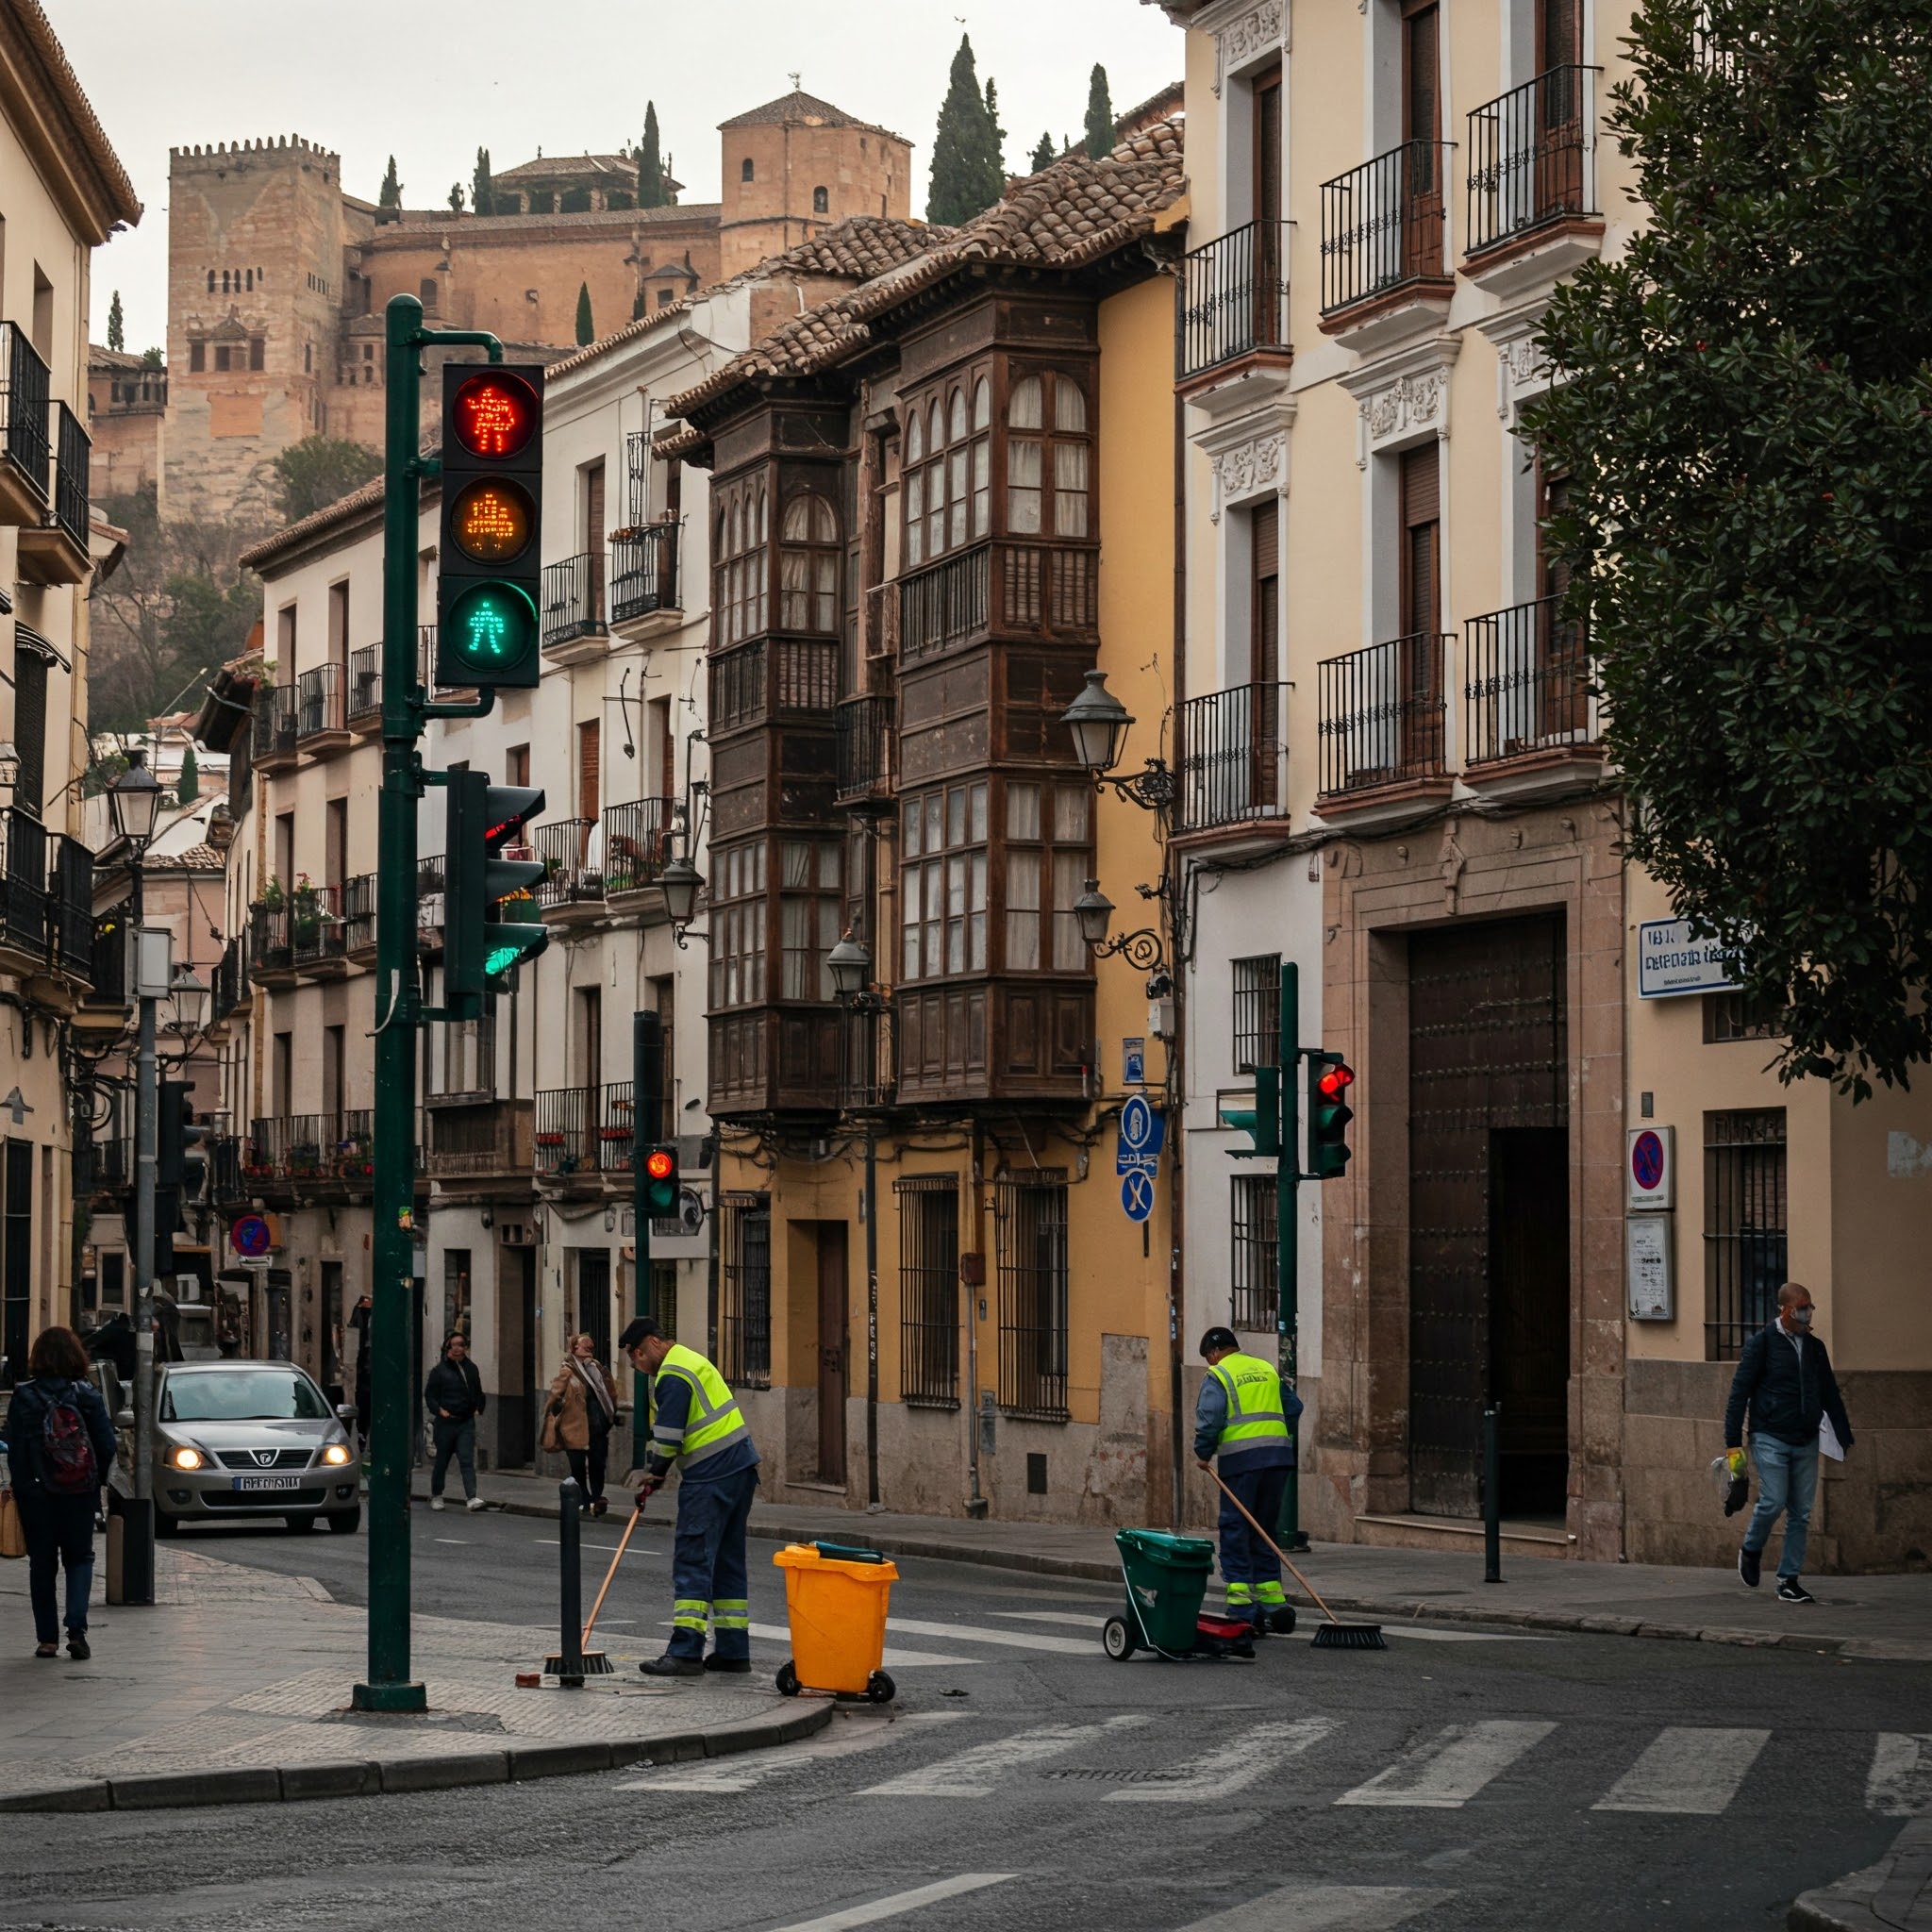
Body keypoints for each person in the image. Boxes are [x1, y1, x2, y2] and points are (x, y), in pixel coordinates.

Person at [619, 1318, 759, 1677]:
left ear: (651, 1344)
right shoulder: (690, 1359)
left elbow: (668, 1437)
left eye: (637, 1357)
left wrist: (655, 1472)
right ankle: (732, 1650)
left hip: (710, 1475)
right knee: (727, 1560)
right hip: (740, 1469)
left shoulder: (672, 1374)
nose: (637, 1365)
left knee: (693, 1558)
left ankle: (685, 1651)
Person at [1724, 1281, 1854, 1606]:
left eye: (1810, 1306)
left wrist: (1842, 1431)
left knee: (1802, 1512)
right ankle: (1752, 1549)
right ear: (1785, 1309)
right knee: (1773, 1500)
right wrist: (1733, 1449)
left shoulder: (1815, 1347)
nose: (1809, 1312)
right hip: (1769, 1436)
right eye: (1803, 1306)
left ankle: (1788, 1580)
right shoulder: (1762, 1345)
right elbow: (1738, 1395)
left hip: (1806, 1437)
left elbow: (1828, 1391)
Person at [2, 1326, 117, 1659]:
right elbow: (105, 1445)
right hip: (80, 1491)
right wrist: (95, 1481)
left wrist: (22, 1485)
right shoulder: (88, 1395)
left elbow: (15, 1447)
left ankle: (47, 1639)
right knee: (80, 1558)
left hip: (36, 1493)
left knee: (42, 1563)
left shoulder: (24, 1397)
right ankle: (77, 1630)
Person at [1194, 1325, 1303, 1635]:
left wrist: (1204, 1452)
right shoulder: (1266, 1368)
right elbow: (1294, 1408)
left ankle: (1242, 1607)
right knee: (1264, 1529)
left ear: (1214, 1353)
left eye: (1208, 1358)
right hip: (1278, 1458)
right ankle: (1273, 1604)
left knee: (1236, 1527)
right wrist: (1279, 1435)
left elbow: (1211, 1417)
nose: (1209, 1364)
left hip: (1242, 1462)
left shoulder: (1219, 1375)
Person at [546, 1333, 619, 1517]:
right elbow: (555, 1396)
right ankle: (584, 1498)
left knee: (597, 1464)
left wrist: (610, 1416)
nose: (589, 1347)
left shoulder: (598, 1369)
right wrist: (558, 1408)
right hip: (575, 1428)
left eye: (591, 1346)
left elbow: (610, 1393)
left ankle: (596, 1498)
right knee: (578, 1465)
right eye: (584, 1345)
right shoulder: (567, 1371)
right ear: (574, 1348)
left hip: (598, 1426)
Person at [422, 1331, 486, 1513]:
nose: (457, 1348)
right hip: (446, 1422)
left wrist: (479, 1407)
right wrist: (439, 1410)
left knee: (466, 1459)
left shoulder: (471, 1368)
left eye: (461, 1345)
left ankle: (472, 1497)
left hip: (465, 1421)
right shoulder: (439, 1371)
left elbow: (478, 1390)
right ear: (447, 1348)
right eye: (454, 1345)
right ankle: (437, 1494)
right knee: (442, 1460)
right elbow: (430, 1395)